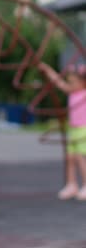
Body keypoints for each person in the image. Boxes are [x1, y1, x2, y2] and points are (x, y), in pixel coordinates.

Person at [41, 63, 86, 200]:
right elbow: (59, 82)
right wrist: (48, 70)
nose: (70, 84)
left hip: (84, 129)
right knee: (70, 157)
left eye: (73, 82)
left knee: (80, 157)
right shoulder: (72, 92)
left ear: (83, 82)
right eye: (69, 81)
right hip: (73, 129)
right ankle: (71, 184)